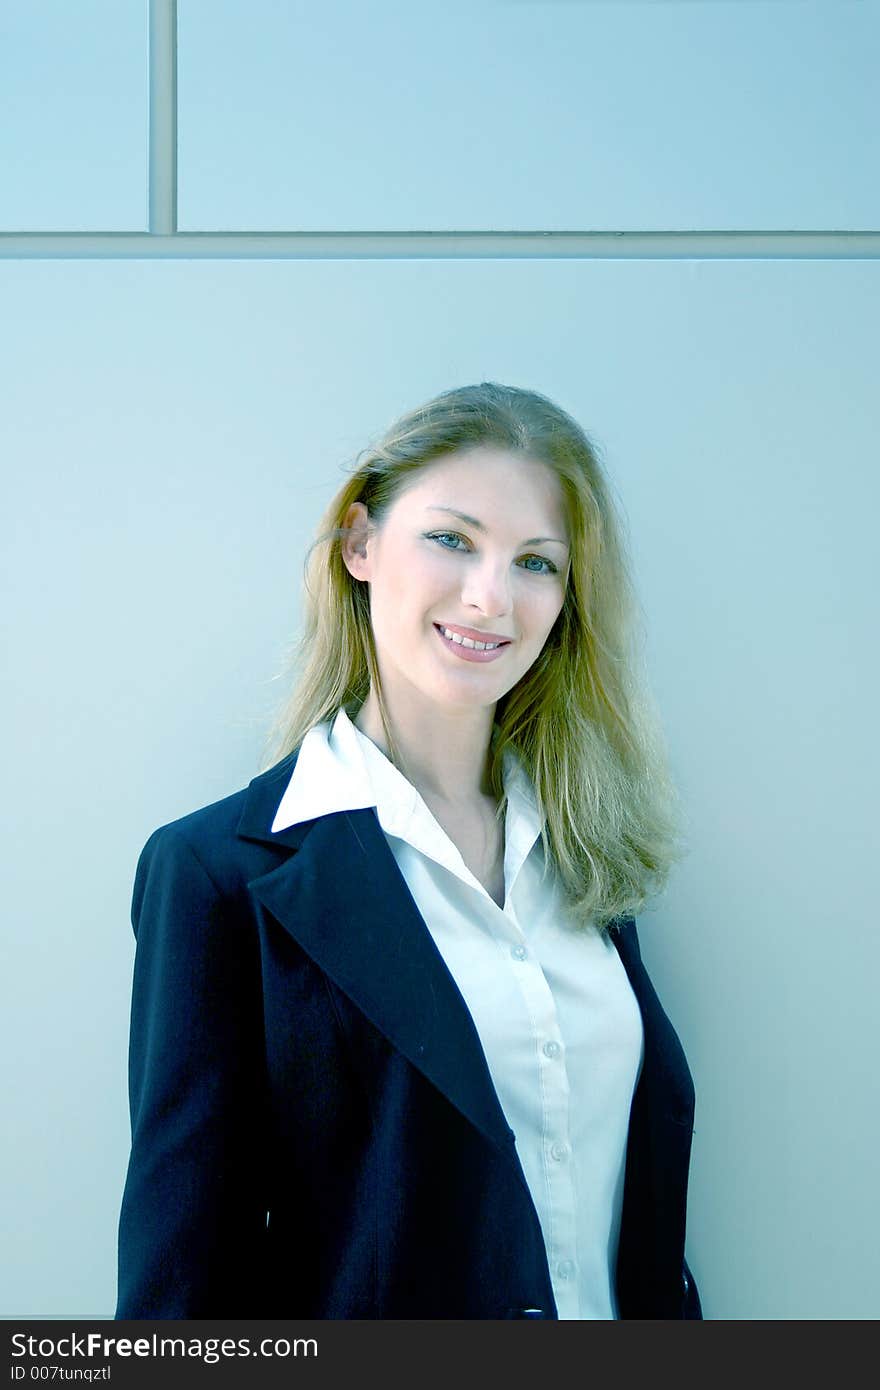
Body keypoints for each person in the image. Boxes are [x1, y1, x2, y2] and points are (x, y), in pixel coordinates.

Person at [114, 381, 702, 1320]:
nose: (490, 596)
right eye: (452, 539)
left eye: (537, 563)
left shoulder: (591, 857)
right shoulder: (220, 875)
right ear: (358, 545)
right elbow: (180, 1286)